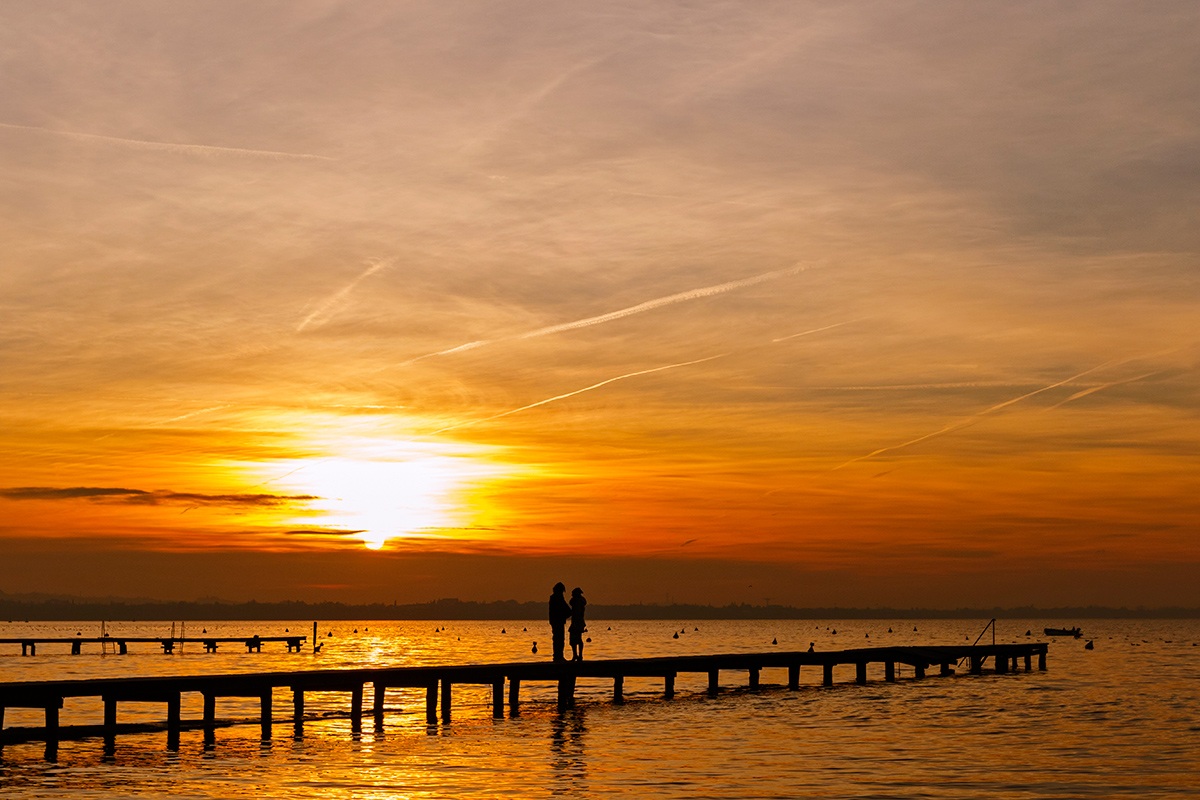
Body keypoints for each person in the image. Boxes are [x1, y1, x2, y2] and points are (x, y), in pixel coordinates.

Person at [548, 582, 571, 662]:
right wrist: (567, 614)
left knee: (557, 639)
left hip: (555, 621)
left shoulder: (553, 598)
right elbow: (565, 608)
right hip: (558, 621)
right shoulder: (558, 598)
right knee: (559, 639)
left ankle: (557, 656)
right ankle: (558, 656)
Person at [569, 587, 587, 661]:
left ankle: (578, 655)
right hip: (577, 622)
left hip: (577, 622)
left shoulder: (578, 602)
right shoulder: (579, 601)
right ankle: (577, 655)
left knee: (576, 640)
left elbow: (577, 613)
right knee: (575, 640)